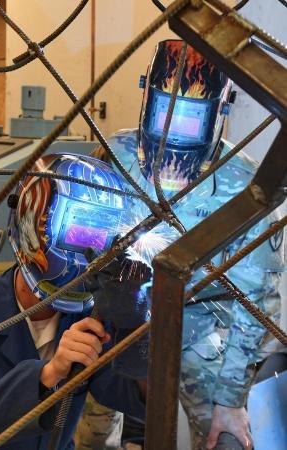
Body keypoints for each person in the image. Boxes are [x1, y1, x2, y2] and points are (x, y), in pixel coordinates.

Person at [78, 40, 285, 450]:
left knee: (224, 438)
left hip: (201, 328)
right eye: (164, 113)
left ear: (218, 113)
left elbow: (256, 304)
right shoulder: (114, 154)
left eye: (189, 120)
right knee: (85, 432)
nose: (173, 132)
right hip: (116, 319)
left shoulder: (246, 189)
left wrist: (230, 399)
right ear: (146, 96)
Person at [0, 153, 149, 450]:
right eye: (75, 229)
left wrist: (136, 329)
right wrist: (49, 373)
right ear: (32, 220)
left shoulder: (91, 316)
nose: (86, 246)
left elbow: (143, 402)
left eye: (97, 235)